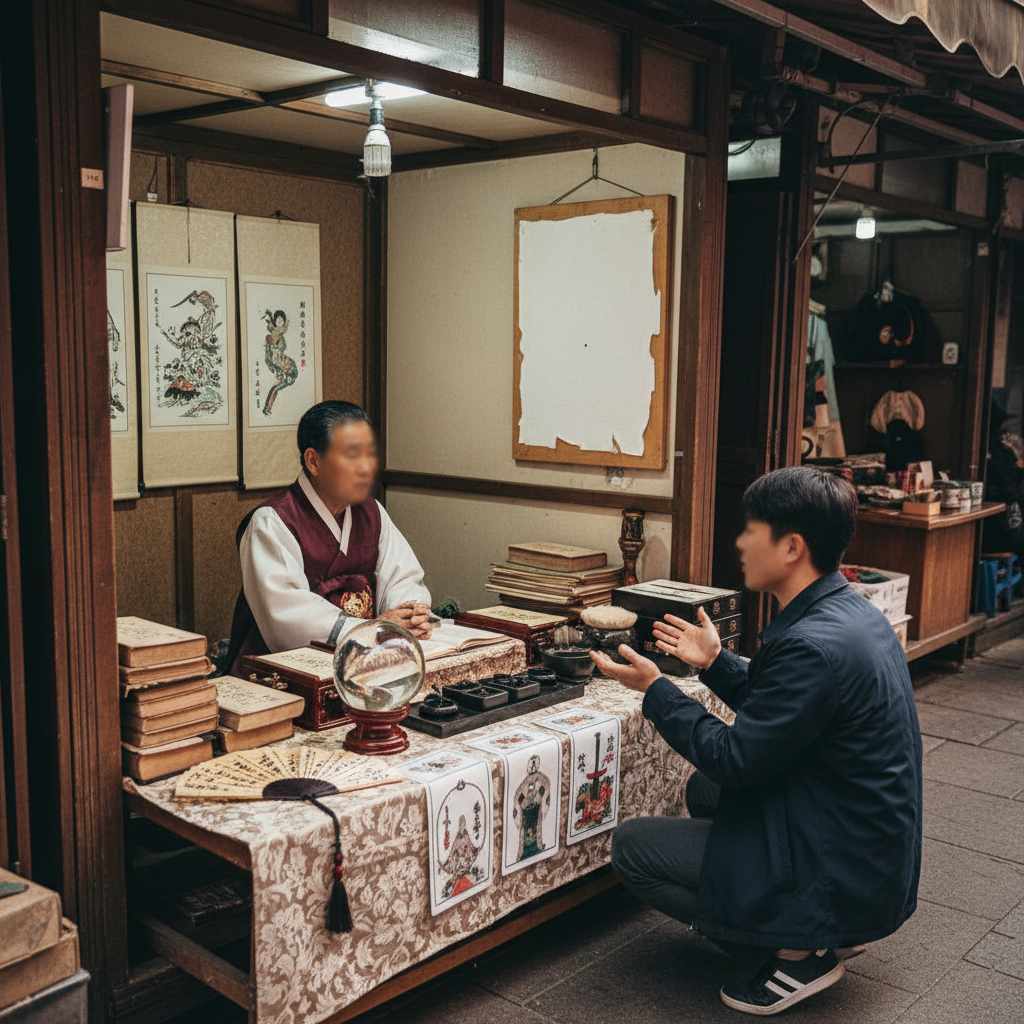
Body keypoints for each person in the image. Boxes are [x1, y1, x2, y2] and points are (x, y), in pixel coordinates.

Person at [592, 466, 922, 1017]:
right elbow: (784, 712)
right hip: (862, 846)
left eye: (751, 529)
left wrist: (656, 690)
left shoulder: (812, 644)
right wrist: (716, 662)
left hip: (839, 864)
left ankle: (794, 952)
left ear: (792, 547)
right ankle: (819, 929)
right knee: (702, 791)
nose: (741, 542)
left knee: (633, 848)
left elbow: (735, 757)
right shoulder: (847, 613)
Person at [226, 400, 433, 672]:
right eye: (352, 455)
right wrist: (372, 630)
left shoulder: (372, 512)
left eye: (370, 455)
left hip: (365, 661)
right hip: (287, 672)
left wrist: (408, 614)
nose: (366, 468)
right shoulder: (271, 522)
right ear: (313, 461)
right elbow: (288, 616)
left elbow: (402, 576)